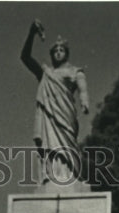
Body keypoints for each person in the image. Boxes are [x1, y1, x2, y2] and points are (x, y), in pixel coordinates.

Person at [21, 19, 90, 184]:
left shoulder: (75, 72)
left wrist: (84, 101)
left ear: (66, 53)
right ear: (52, 54)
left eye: (61, 50)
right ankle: (52, 176)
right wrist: (31, 34)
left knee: (67, 146)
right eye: (55, 50)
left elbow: (83, 88)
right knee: (48, 145)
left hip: (65, 116)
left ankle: (69, 176)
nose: (58, 52)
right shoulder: (46, 74)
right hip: (49, 116)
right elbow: (25, 57)